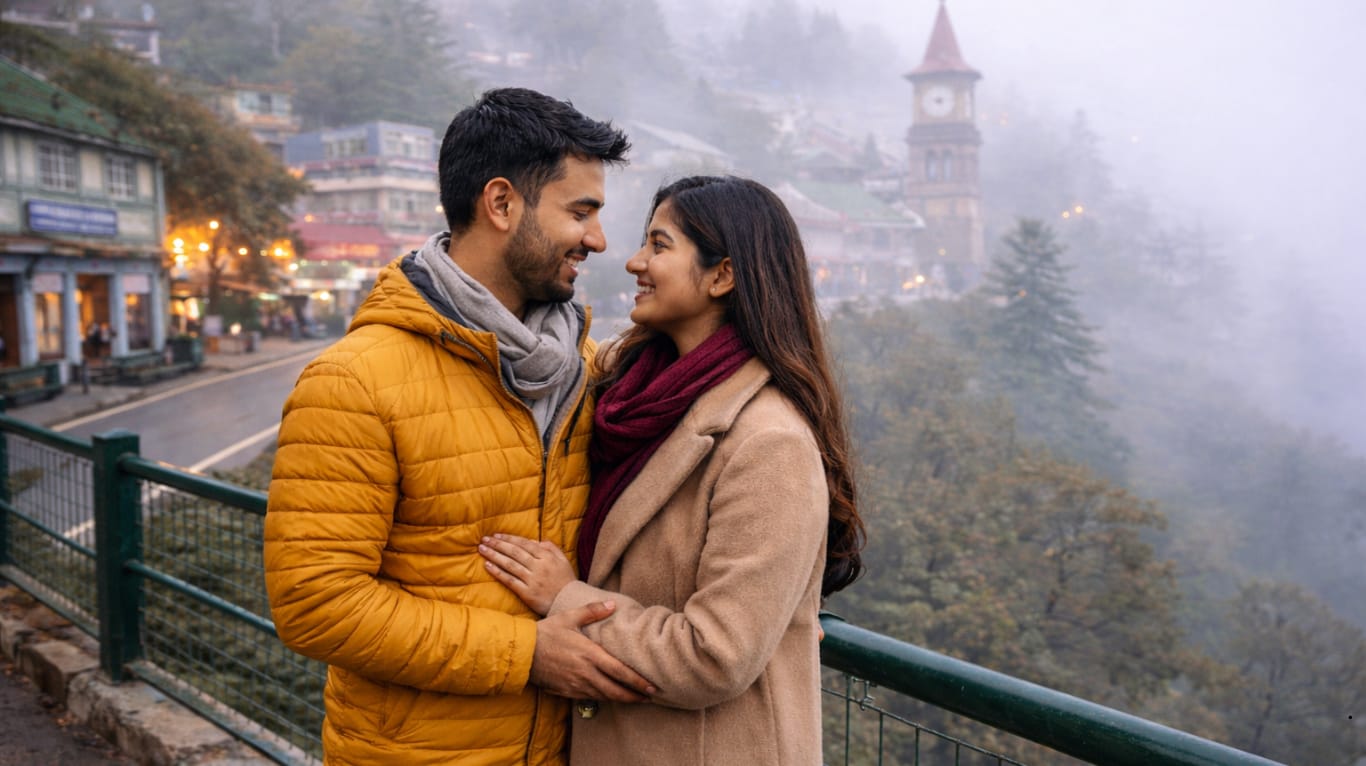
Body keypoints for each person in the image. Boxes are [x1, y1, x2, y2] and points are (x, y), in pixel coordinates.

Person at [263, 88, 653, 765]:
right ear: (501, 204)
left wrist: (767, 615)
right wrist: (526, 654)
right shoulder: (355, 380)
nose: (597, 240)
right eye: (580, 212)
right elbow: (315, 603)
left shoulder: (582, 367)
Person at [479, 175, 866, 764]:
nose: (634, 261)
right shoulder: (631, 392)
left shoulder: (769, 443)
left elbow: (715, 655)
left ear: (722, 276)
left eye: (659, 246)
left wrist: (565, 598)